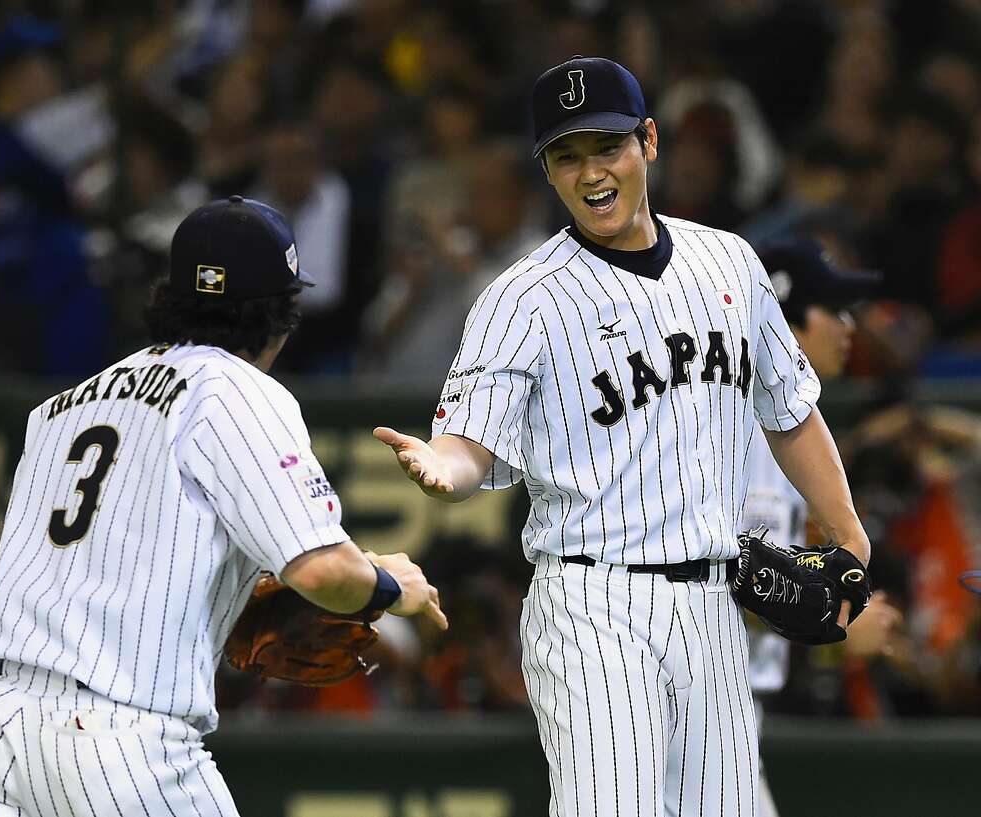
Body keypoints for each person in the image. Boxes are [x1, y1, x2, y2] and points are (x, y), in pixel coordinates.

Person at [374, 57, 872, 817]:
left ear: (649, 141)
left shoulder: (728, 261)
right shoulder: (522, 298)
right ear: (547, 171)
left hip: (714, 598)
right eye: (566, 156)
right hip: (592, 601)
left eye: (606, 147)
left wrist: (847, 533)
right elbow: (468, 441)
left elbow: (791, 409)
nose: (590, 172)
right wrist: (443, 463)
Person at [0, 195, 447, 816]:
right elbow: (323, 573)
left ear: (169, 298)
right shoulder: (238, 390)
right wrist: (391, 586)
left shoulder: (60, 408)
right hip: (116, 744)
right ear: (283, 315)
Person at [741, 237, 902, 816]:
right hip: (694, 704)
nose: (848, 326)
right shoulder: (750, 429)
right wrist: (835, 629)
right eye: (832, 310)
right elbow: (722, 578)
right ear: (786, 322)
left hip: (724, 703)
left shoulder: (779, 428)